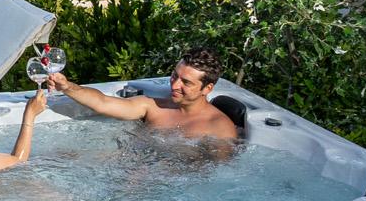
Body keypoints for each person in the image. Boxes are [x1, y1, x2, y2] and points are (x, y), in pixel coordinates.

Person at [47, 45, 240, 141]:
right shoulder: (154, 106)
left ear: (207, 88)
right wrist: (67, 87)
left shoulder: (220, 129)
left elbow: (215, 176)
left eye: (186, 82)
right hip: (130, 169)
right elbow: (102, 103)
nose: (174, 85)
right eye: (174, 76)